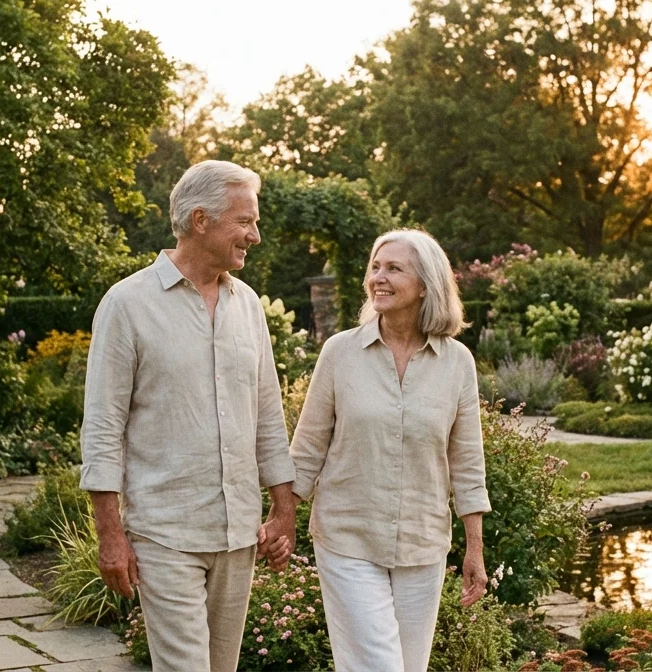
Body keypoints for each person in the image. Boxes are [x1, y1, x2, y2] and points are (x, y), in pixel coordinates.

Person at [80, 160, 297, 672]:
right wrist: (110, 535)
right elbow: (103, 428)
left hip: (238, 532)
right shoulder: (127, 305)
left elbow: (267, 413)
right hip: (165, 532)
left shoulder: (248, 307)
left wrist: (283, 509)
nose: (255, 235)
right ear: (201, 220)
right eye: (245, 221)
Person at [288, 228, 491, 672]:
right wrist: (281, 517)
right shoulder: (340, 353)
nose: (378, 277)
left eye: (394, 268)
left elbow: (467, 462)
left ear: (426, 285)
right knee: (376, 666)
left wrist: (473, 549)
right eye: (375, 267)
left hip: (423, 543)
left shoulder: (457, 363)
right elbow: (306, 449)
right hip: (347, 539)